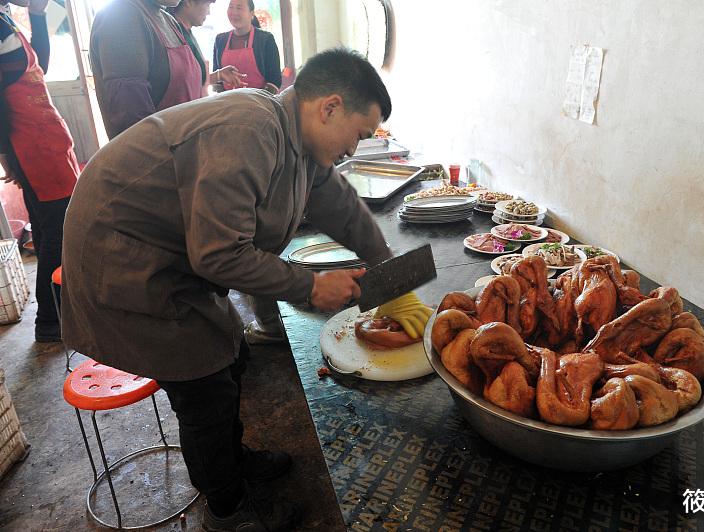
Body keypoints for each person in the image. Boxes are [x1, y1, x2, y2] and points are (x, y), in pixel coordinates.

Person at [61, 48, 431, 531]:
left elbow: (339, 204)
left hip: (170, 256)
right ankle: (227, 508)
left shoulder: (296, 138)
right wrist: (309, 287)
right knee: (204, 385)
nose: (354, 150)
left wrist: (388, 269)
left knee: (233, 356)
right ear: (330, 107)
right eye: (359, 136)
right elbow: (217, 255)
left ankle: (232, 460)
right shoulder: (248, 129)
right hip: (125, 260)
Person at [0, 0, 79, 342]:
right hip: (32, 146)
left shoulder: (6, 20)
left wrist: (39, 14)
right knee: (57, 233)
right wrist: (7, 158)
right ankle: (50, 319)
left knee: (50, 231)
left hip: (46, 140)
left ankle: (57, 314)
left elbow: (39, 66)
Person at [89, 0, 204, 138]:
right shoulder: (121, 15)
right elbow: (133, 121)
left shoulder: (168, 20)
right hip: (160, 154)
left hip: (185, 148)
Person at [167, 0, 245, 92]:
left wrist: (218, 75)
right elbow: (180, 84)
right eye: (207, 5)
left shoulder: (187, 33)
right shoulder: (173, 35)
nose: (209, 12)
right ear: (189, 2)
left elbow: (193, 80)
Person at [212, 0, 280, 93]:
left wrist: (254, 102)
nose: (234, 12)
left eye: (239, 8)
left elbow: (275, 80)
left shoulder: (265, 39)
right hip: (228, 103)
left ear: (251, 14)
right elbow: (217, 80)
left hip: (260, 103)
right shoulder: (220, 40)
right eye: (231, 7)